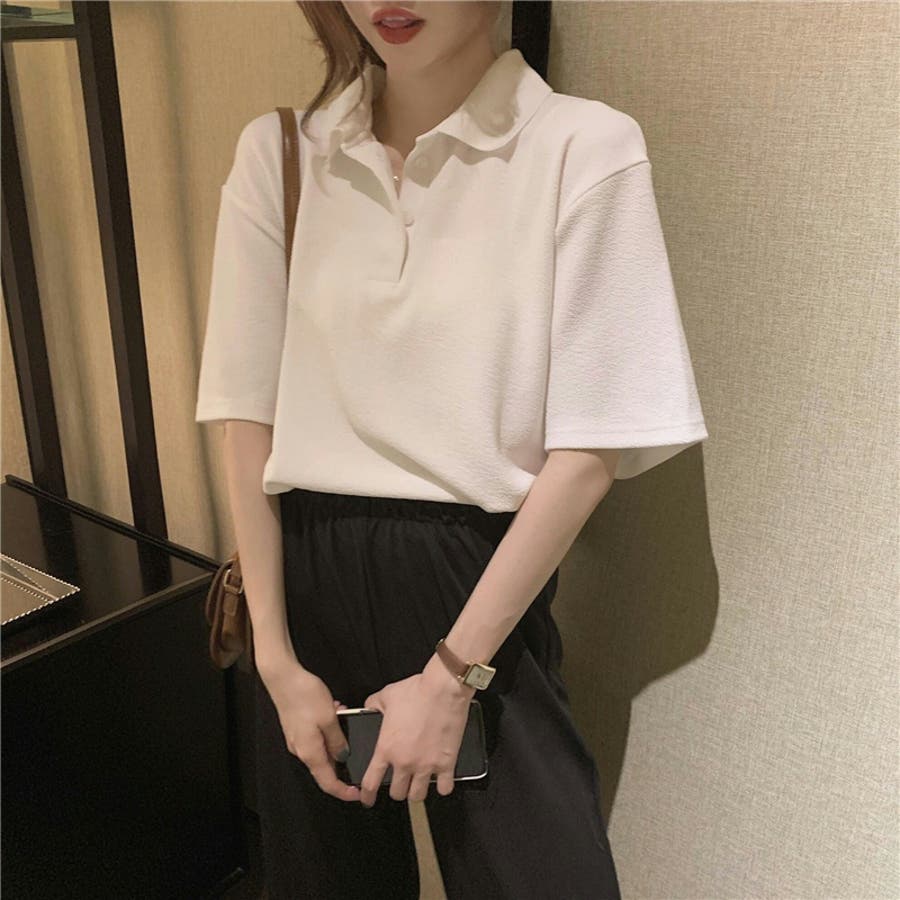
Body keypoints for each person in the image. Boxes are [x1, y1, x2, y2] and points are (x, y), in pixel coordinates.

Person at [194, 2, 709, 897]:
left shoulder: (582, 147)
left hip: (478, 589)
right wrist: (275, 660)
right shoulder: (282, 153)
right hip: (302, 587)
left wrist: (451, 676)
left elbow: (592, 448)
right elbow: (247, 418)